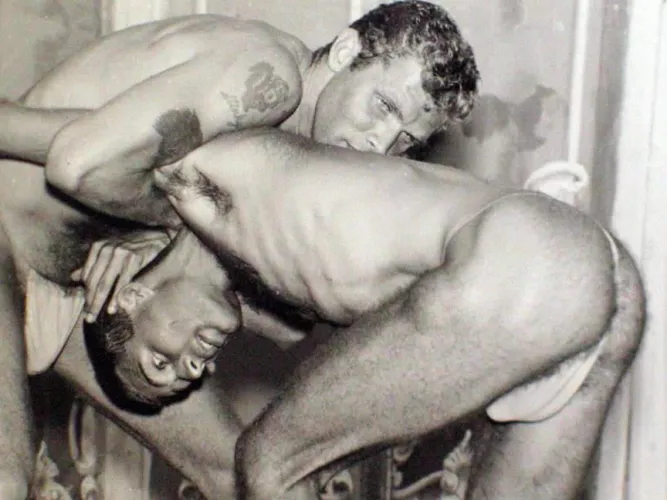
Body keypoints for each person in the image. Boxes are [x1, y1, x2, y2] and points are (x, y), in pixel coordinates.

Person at [0, 1, 479, 497]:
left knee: (262, 484)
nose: (380, 144)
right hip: (9, 233)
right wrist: (167, 228)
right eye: (383, 106)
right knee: (5, 480)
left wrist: (167, 231)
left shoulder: (307, 160)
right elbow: (78, 166)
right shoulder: (269, 78)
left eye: (405, 139)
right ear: (344, 51)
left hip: (78, 285)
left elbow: (286, 327)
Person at [50, 125, 645, 500]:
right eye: (186, 374)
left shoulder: (207, 175)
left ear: (130, 294)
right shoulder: (266, 272)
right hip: (600, 274)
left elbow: (77, 155)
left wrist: (140, 228)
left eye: (160, 360)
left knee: (268, 462)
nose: (193, 367)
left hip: (523, 261)